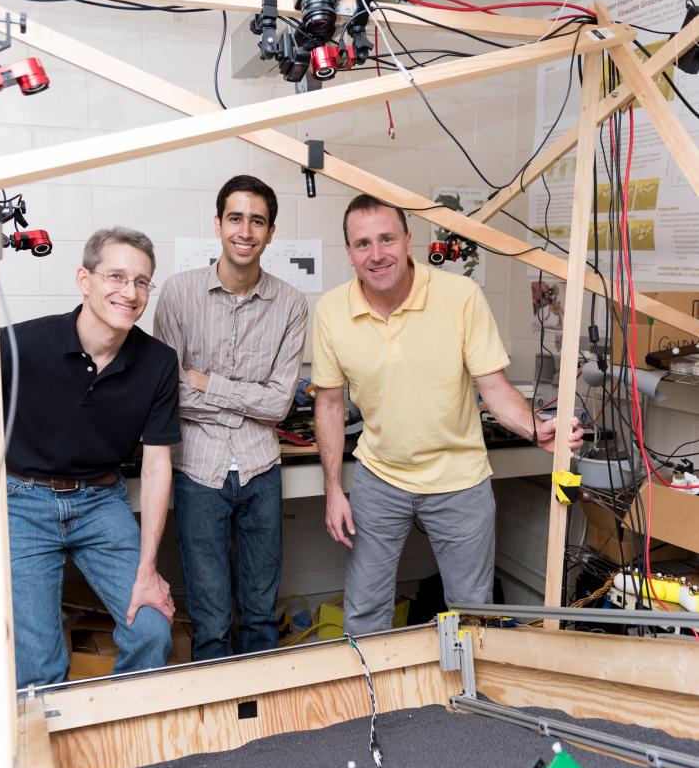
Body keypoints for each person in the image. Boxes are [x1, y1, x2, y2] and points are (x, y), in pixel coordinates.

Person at [311, 194, 583, 635]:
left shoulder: (460, 297)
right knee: (363, 611)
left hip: (460, 479)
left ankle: (469, 702)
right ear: (348, 253)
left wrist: (537, 428)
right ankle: (374, 700)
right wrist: (332, 489)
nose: (377, 254)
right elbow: (327, 402)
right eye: (363, 244)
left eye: (387, 239)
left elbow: (493, 388)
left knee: (473, 615)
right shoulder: (330, 311)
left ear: (408, 240)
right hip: (379, 478)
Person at [0, 227, 180, 689]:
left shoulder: (158, 361)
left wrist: (148, 571)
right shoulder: (27, 343)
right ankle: (54, 754)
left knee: (152, 629)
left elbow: (159, 464)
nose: (130, 292)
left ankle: (125, 742)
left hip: (101, 502)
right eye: (116, 276)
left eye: (142, 281)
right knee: (39, 664)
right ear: (84, 279)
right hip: (22, 501)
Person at [153, 175, 308, 660]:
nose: (245, 230)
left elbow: (279, 404)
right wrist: (244, 399)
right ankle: (219, 729)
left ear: (271, 231)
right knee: (213, 620)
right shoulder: (178, 295)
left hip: (262, 469)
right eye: (236, 218)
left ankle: (265, 728)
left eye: (257, 221)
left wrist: (208, 383)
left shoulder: (291, 304)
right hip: (197, 471)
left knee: (261, 615)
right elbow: (169, 394)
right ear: (218, 224)